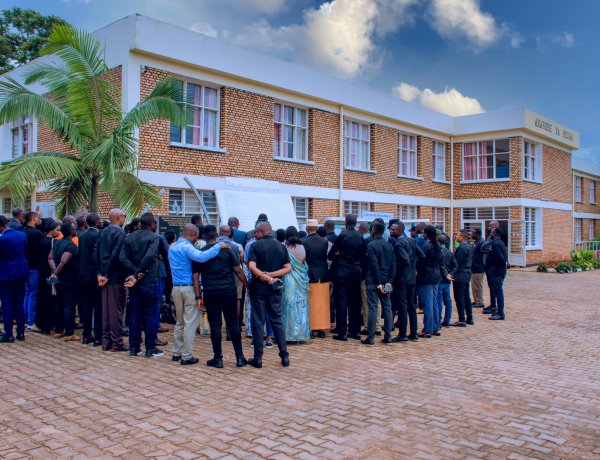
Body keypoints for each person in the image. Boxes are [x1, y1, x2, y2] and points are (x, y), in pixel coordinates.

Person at [168, 224, 226, 366]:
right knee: (190, 323)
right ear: (193, 234)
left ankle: (176, 352)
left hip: (176, 288)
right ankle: (186, 356)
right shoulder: (187, 247)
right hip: (189, 288)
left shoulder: (172, 247)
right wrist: (218, 246)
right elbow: (202, 257)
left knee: (180, 322)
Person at [193, 225, 247, 368]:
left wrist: (198, 296)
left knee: (215, 325)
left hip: (211, 292)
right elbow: (238, 270)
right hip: (228, 290)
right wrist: (248, 285)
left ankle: (218, 358)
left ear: (203, 236)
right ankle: (239, 357)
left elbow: (195, 276)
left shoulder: (200, 253)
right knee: (233, 323)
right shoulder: (227, 250)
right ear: (217, 235)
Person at [247, 221, 292, 368]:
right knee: (277, 321)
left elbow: (251, 266)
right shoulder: (281, 246)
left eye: (256, 232)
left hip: (258, 288)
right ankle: (284, 356)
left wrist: (265, 276)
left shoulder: (255, 245)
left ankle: (258, 358)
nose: (255, 234)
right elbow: (288, 268)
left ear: (261, 231)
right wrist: (272, 276)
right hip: (275, 288)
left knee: (258, 321)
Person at [119, 213, 164, 358]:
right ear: (152, 224)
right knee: (150, 314)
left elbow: (122, 258)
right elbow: (149, 257)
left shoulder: (129, 237)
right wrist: (138, 273)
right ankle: (150, 348)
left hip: (134, 282)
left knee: (135, 314)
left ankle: (134, 348)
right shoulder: (154, 237)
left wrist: (134, 273)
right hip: (149, 281)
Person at [328, 214, 367, 341]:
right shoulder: (360, 237)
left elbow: (330, 255)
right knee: (355, 302)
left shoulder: (343, 236)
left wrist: (339, 255)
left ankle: (342, 332)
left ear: (346, 222)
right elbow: (363, 256)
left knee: (341, 302)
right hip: (356, 273)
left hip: (342, 273)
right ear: (355, 223)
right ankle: (355, 331)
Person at [95, 209, 128, 352]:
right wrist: (106, 274)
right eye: (124, 216)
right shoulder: (120, 233)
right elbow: (116, 255)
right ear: (119, 218)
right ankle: (116, 342)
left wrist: (100, 273)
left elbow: (96, 252)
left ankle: (106, 341)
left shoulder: (103, 232)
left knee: (106, 310)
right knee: (116, 310)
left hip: (104, 276)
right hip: (115, 276)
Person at [361, 222, 395, 345]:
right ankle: (388, 336)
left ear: (374, 231)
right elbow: (393, 265)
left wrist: (378, 282)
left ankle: (370, 337)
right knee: (387, 307)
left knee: (373, 308)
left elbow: (373, 264)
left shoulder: (371, 245)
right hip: (387, 281)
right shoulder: (389, 245)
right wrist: (389, 282)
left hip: (373, 281)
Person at [49, 222, 81, 342]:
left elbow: (50, 258)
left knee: (59, 304)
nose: (75, 230)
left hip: (58, 279)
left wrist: (54, 269)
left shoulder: (57, 242)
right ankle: (69, 332)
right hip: (68, 279)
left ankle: (59, 330)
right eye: (74, 228)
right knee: (68, 305)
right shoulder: (70, 245)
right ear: (71, 231)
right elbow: (64, 261)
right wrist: (56, 272)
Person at [390, 222, 421, 342]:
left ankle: (403, 334)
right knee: (411, 305)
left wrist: (394, 265)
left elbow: (405, 260)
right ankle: (414, 333)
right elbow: (421, 255)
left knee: (402, 305)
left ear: (400, 230)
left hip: (402, 279)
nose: (391, 231)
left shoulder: (399, 243)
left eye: (393, 229)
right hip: (411, 278)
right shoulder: (411, 241)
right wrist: (414, 268)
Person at [0, 215, 28, 343]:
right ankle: (21, 333)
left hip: (5, 274)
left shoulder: (2, 239)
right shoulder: (22, 235)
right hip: (21, 272)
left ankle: (9, 334)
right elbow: (25, 251)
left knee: (7, 303)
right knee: (19, 302)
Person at [416, 225, 447, 338]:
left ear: (426, 234)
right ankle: (435, 327)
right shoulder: (437, 245)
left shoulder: (426, 245)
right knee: (434, 303)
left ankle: (427, 329)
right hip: (436, 276)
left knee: (428, 304)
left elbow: (420, 259)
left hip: (426, 276)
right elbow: (441, 261)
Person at [302, 219, 331, 338]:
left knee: (311, 303)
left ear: (306, 229)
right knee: (323, 303)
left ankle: (311, 327)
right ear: (317, 229)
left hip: (310, 274)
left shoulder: (304, 242)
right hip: (323, 275)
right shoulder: (325, 241)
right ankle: (322, 329)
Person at [281, 226, 310, 342]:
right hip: (301, 280)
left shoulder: (284, 248)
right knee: (301, 306)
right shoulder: (302, 247)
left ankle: (287, 334)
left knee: (288, 306)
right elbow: (303, 262)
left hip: (288, 280)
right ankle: (300, 334)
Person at [79, 213, 103, 345]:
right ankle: (98, 336)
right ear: (96, 222)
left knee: (86, 306)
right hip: (95, 275)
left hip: (84, 275)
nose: (101, 221)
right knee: (97, 306)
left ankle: (86, 335)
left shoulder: (82, 236)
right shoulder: (98, 235)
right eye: (100, 220)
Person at [37, 219, 61, 335]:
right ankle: (49, 324)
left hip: (42, 272)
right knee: (52, 297)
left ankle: (43, 323)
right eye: (57, 230)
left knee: (44, 297)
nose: (59, 232)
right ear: (51, 230)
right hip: (51, 273)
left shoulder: (42, 240)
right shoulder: (53, 242)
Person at [23, 211, 44, 332]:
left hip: (26, 265)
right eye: (37, 218)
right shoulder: (37, 233)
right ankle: (31, 322)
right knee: (33, 294)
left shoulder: (23, 232)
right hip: (34, 266)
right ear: (33, 219)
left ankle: (26, 320)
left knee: (27, 292)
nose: (39, 219)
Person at [449, 229, 474, 327]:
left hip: (460, 275)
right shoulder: (469, 246)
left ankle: (461, 319)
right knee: (466, 297)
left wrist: (451, 273)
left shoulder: (462, 247)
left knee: (459, 297)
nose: (456, 236)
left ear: (462, 237)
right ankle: (469, 318)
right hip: (466, 274)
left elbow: (456, 262)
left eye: (458, 235)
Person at [484, 228, 509, 320]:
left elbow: (500, 256)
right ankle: (496, 309)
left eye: (491, 232)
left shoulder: (496, 243)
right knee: (496, 291)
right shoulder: (497, 242)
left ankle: (500, 313)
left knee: (498, 292)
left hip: (496, 271)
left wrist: (505, 263)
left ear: (494, 234)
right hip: (496, 271)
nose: (490, 233)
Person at [437, 234, 457, 328]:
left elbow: (440, 266)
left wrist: (447, 275)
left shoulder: (438, 252)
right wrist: (450, 274)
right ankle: (447, 320)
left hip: (440, 279)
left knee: (439, 300)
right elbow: (455, 265)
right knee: (447, 300)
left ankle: (438, 320)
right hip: (447, 280)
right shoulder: (449, 252)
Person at [482, 220, 500, 314]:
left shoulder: (496, 239)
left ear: (496, 226)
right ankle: (492, 304)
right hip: (487, 265)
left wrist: (486, 248)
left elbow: (484, 246)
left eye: (491, 226)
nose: (489, 228)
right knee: (490, 286)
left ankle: (494, 306)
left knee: (494, 287)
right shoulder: (490, 237)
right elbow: (483, 247)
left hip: (493, 267)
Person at [470, 227, 485, 308]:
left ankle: (480, 301)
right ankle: (476, 300)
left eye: (473, 233)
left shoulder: (481, 243)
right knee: (474, 286)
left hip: (478, 268)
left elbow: (483, 256)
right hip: (474, 268)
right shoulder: (476, 242)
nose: (471, 235)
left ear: (477, 234)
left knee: (478, 286)